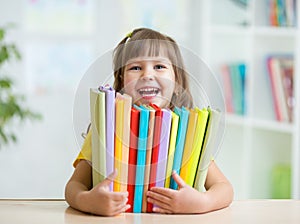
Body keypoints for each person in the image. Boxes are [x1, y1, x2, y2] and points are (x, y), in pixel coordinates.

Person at [65, 27, 234, 216]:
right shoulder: (105, 130)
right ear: (122, 83)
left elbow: (224, 188)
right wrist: (88, 201)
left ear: (176, 82)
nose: (147, 75)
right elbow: (74, 186)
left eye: (159, 66)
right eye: (135, 68)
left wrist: (202, 202)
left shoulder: (187, 133)